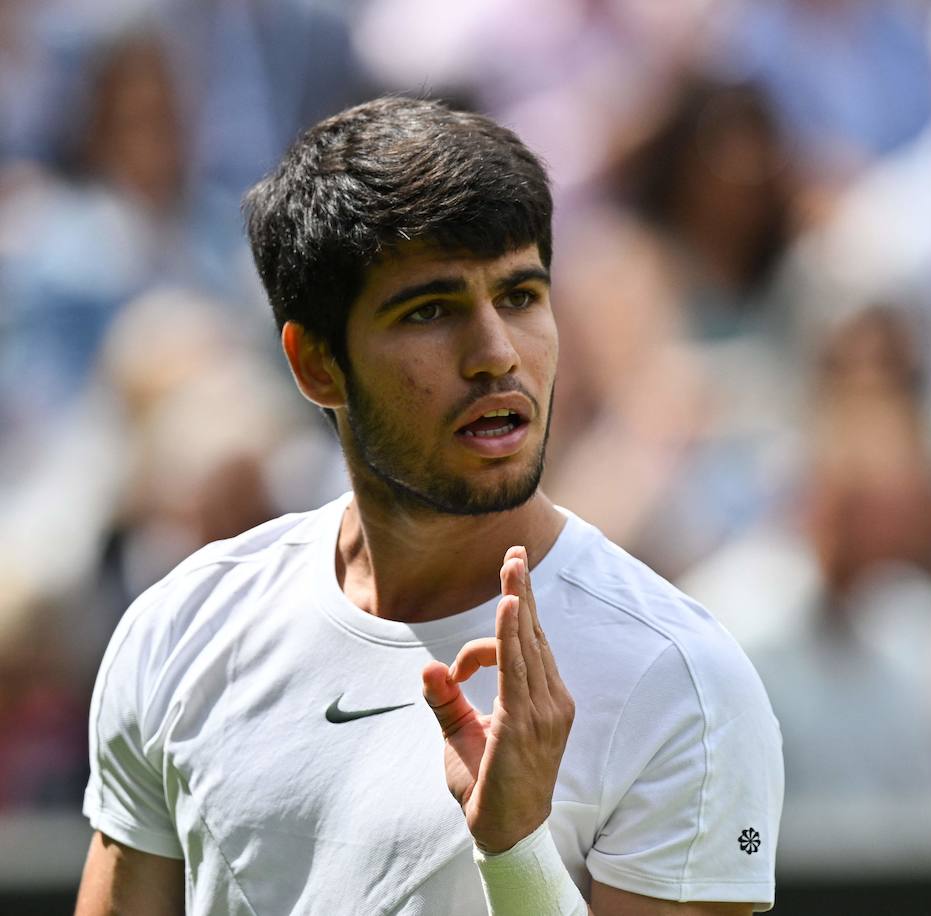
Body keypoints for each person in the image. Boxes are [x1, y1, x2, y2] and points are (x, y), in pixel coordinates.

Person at [74, 97, 783, 915]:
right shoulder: (179, 629)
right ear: (316, 366)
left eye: (520, 296)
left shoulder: (686, 683)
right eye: (431, 311)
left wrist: (516, 853)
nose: (495, 355)